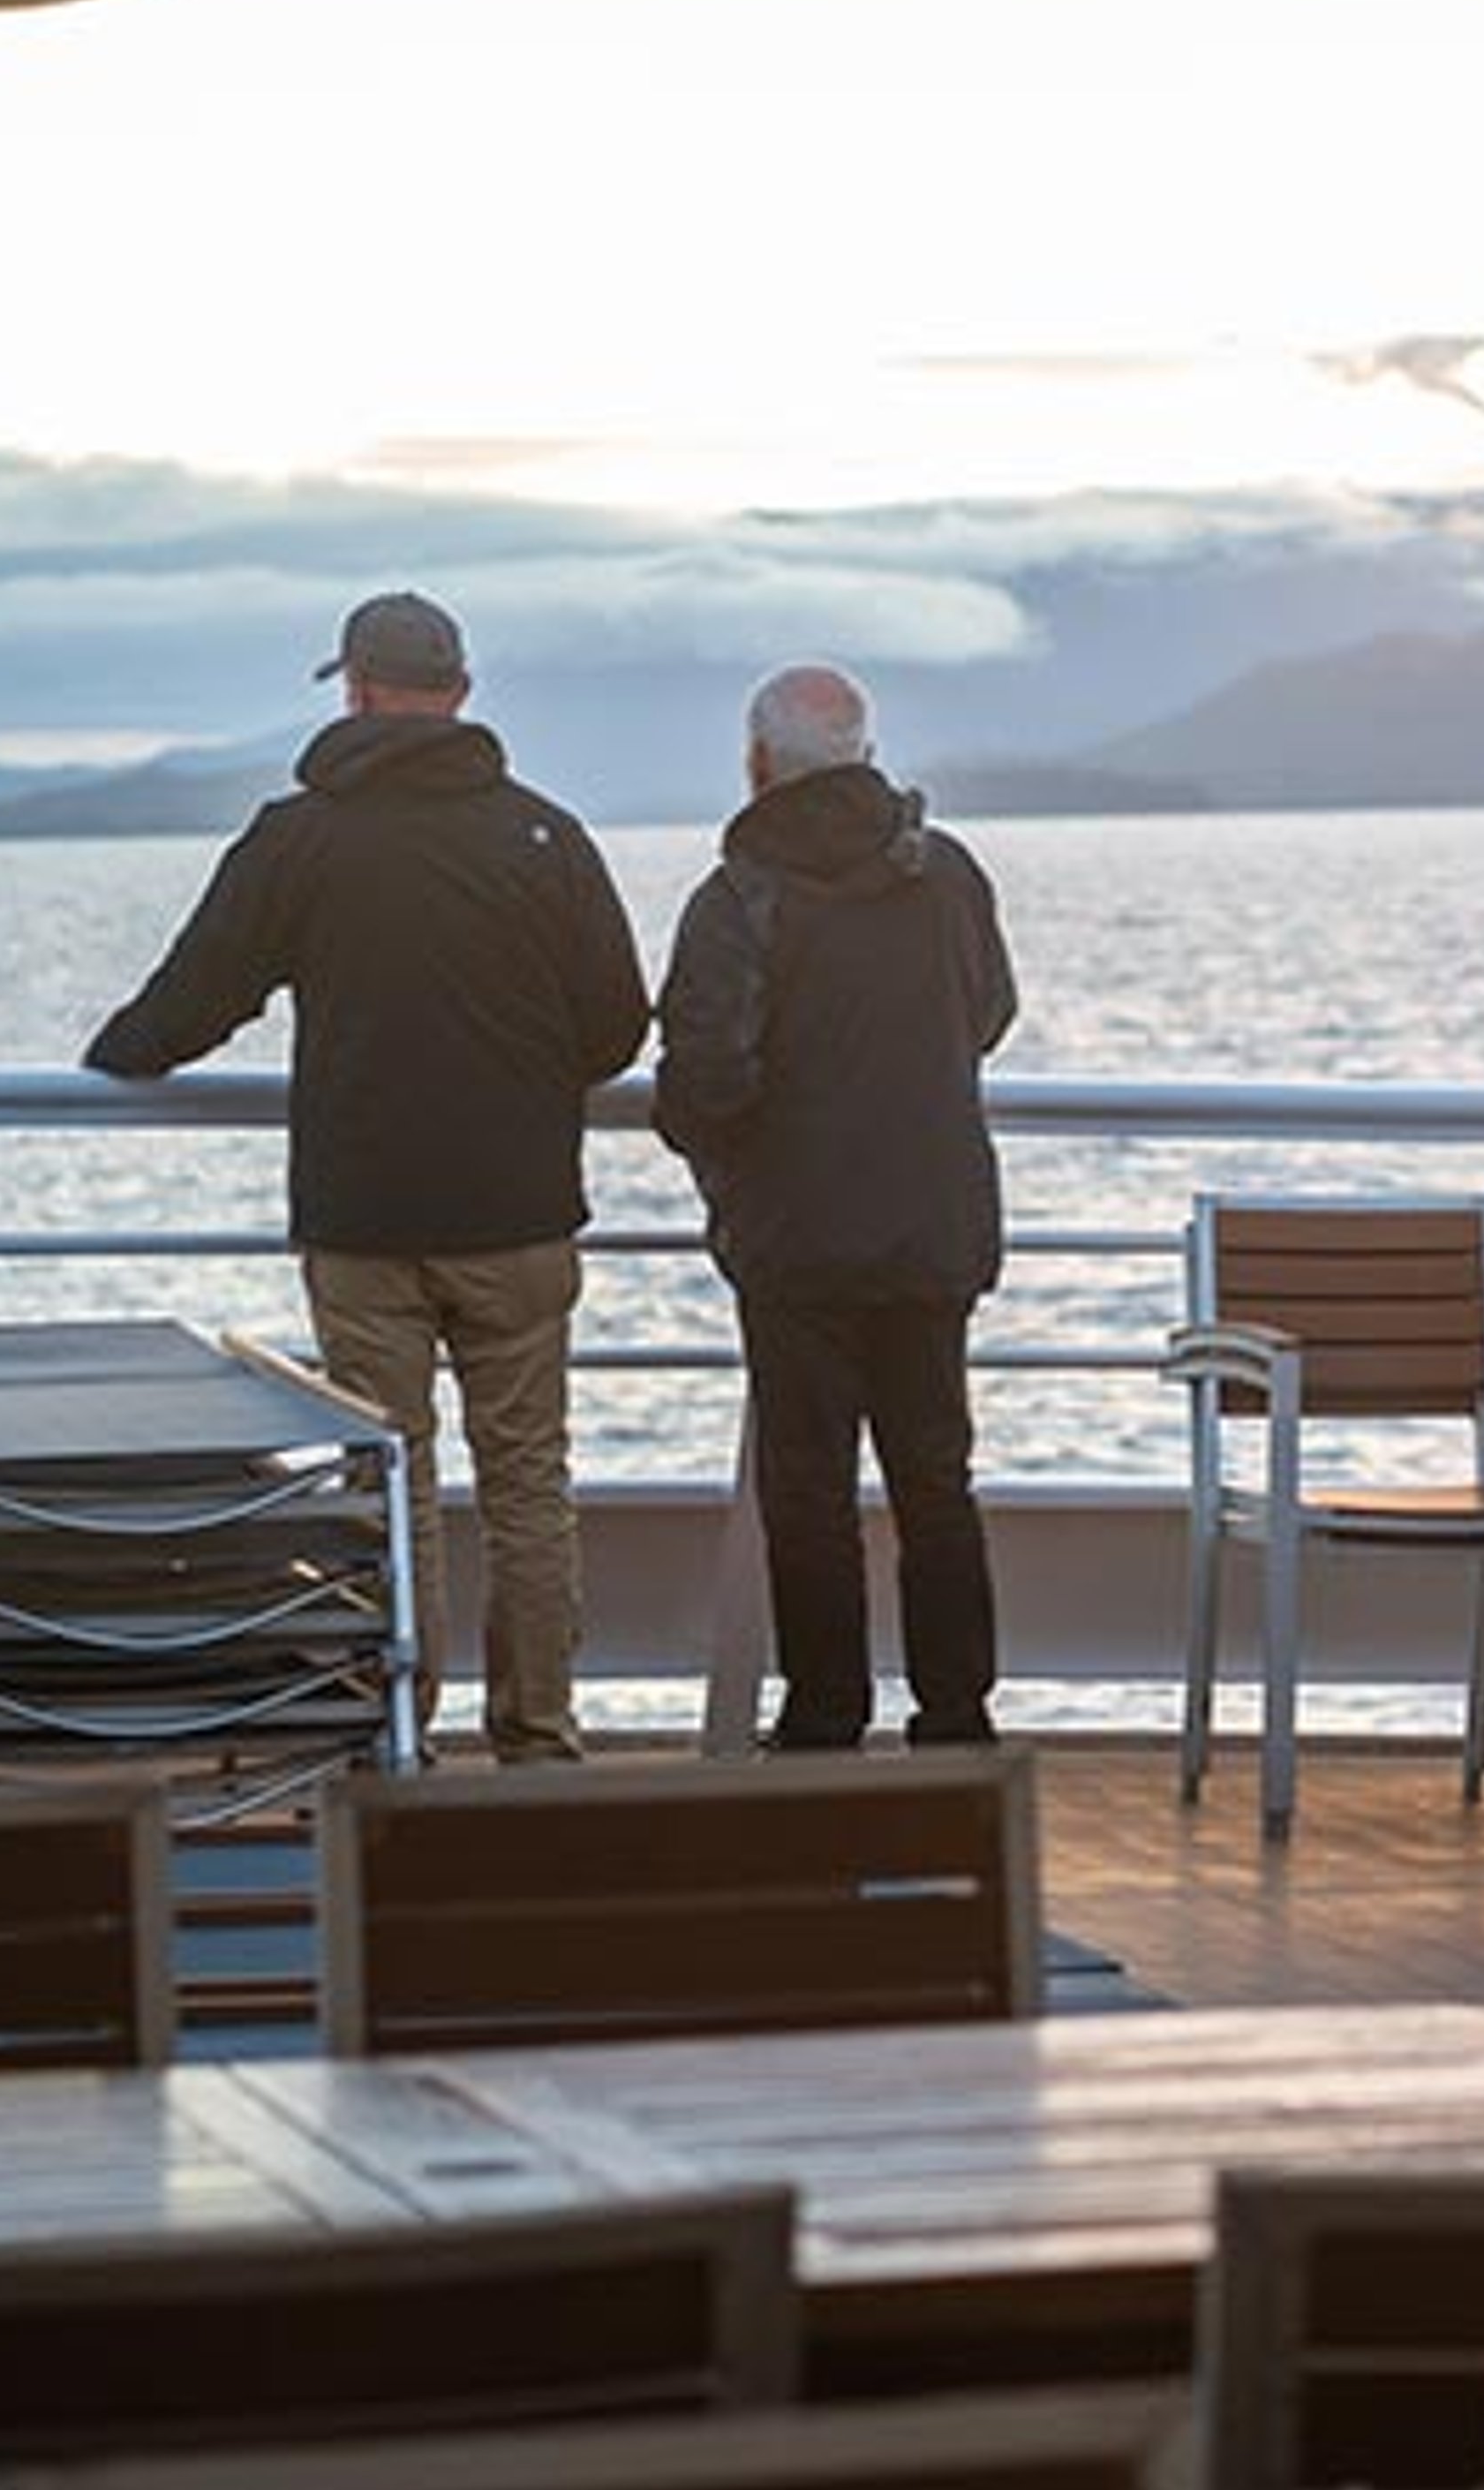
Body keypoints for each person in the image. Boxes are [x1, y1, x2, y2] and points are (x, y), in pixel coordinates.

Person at [85, 590, 649, 1763]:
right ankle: (540, 1740)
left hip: (365, 1222)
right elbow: (614, 1026)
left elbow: (197, 998)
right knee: (529, 1485)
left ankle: (402, 1738)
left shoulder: (300, 839)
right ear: (460, 693)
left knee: (391, 1482)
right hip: (518, 1214)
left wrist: (114, 1058)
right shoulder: (544, 837)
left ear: (354, 689)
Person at [653, 664, 1018, 1753]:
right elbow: (989, 1013)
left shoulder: (738, 899)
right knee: (936, 1479)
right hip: (932, 1226)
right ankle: (956, 1717)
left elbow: (707, 1079)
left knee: (809, 1491)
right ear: (865, 754)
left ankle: (823, 1719)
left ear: (758, 762)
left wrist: (719, 1156)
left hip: (797, 1240)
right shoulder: (946, 873)